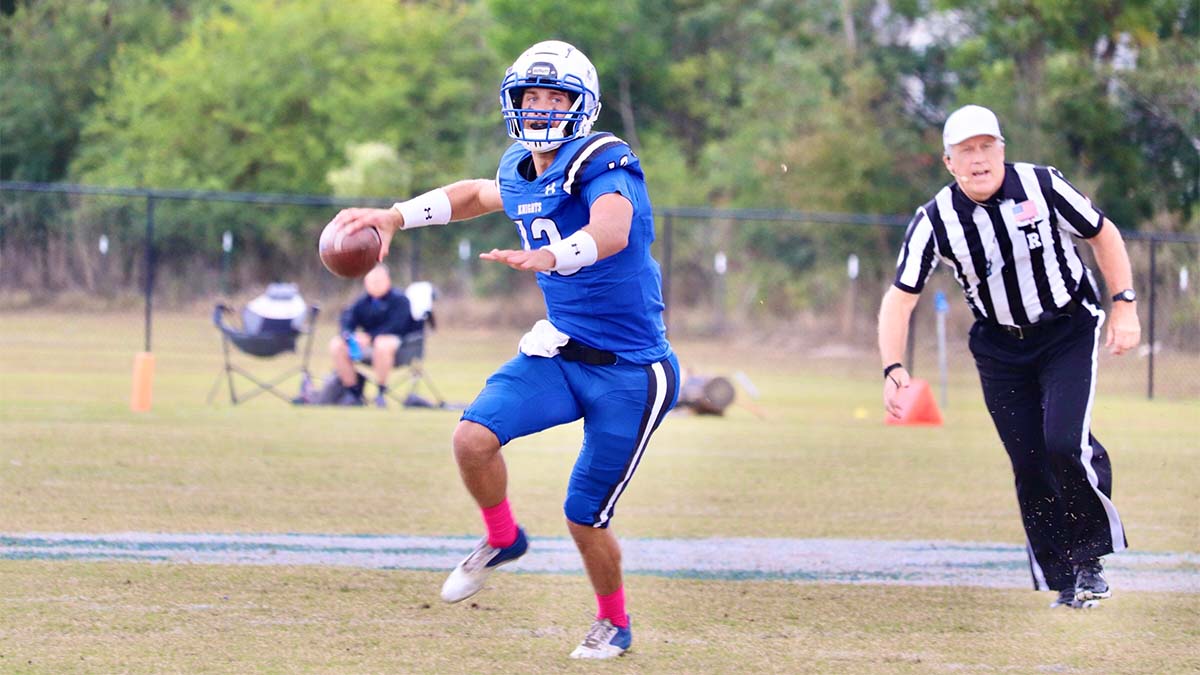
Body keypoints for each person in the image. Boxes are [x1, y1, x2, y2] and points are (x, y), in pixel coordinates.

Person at [327, 40, 678, 658]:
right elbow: (474, 195)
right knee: (471, 437)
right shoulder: (520, 166)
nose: (541, 109)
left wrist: (551, 255)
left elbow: (613, 229)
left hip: (631, 371)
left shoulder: (604, 158)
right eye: (531, 96)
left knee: (583, 513)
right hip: (562, 354)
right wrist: (392, 217)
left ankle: (614, 622)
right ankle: (503, 536)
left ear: (582, 105)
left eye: (555, 97)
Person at [878, 104, 1141, 609]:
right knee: (1029, 461)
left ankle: (1089, 559)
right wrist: (893, 368)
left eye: (986, 147)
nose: (978, 160)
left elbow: (1102, 232)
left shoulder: (1042, 186)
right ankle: (1063, 580)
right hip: (999, 347)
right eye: (966, 152)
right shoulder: (935, 219)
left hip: (1066, 329)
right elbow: (900, 297)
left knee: (1064, 441)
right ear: (948, 162)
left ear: (1002, 148)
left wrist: (1124, 305)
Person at [328, 264, 421, 407]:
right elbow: (347, 319)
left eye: (379, 281)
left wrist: (370, 336)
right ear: (366, 282)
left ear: (388, 281)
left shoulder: (400, 300)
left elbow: (397, 325)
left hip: (398, 347)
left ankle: (380, 392)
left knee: (381, 343)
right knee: (336, 344)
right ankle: (353, 393)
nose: (375, 285)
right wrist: (348, 336)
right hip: (367, 347)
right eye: (371, 282)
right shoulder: (362, 302)